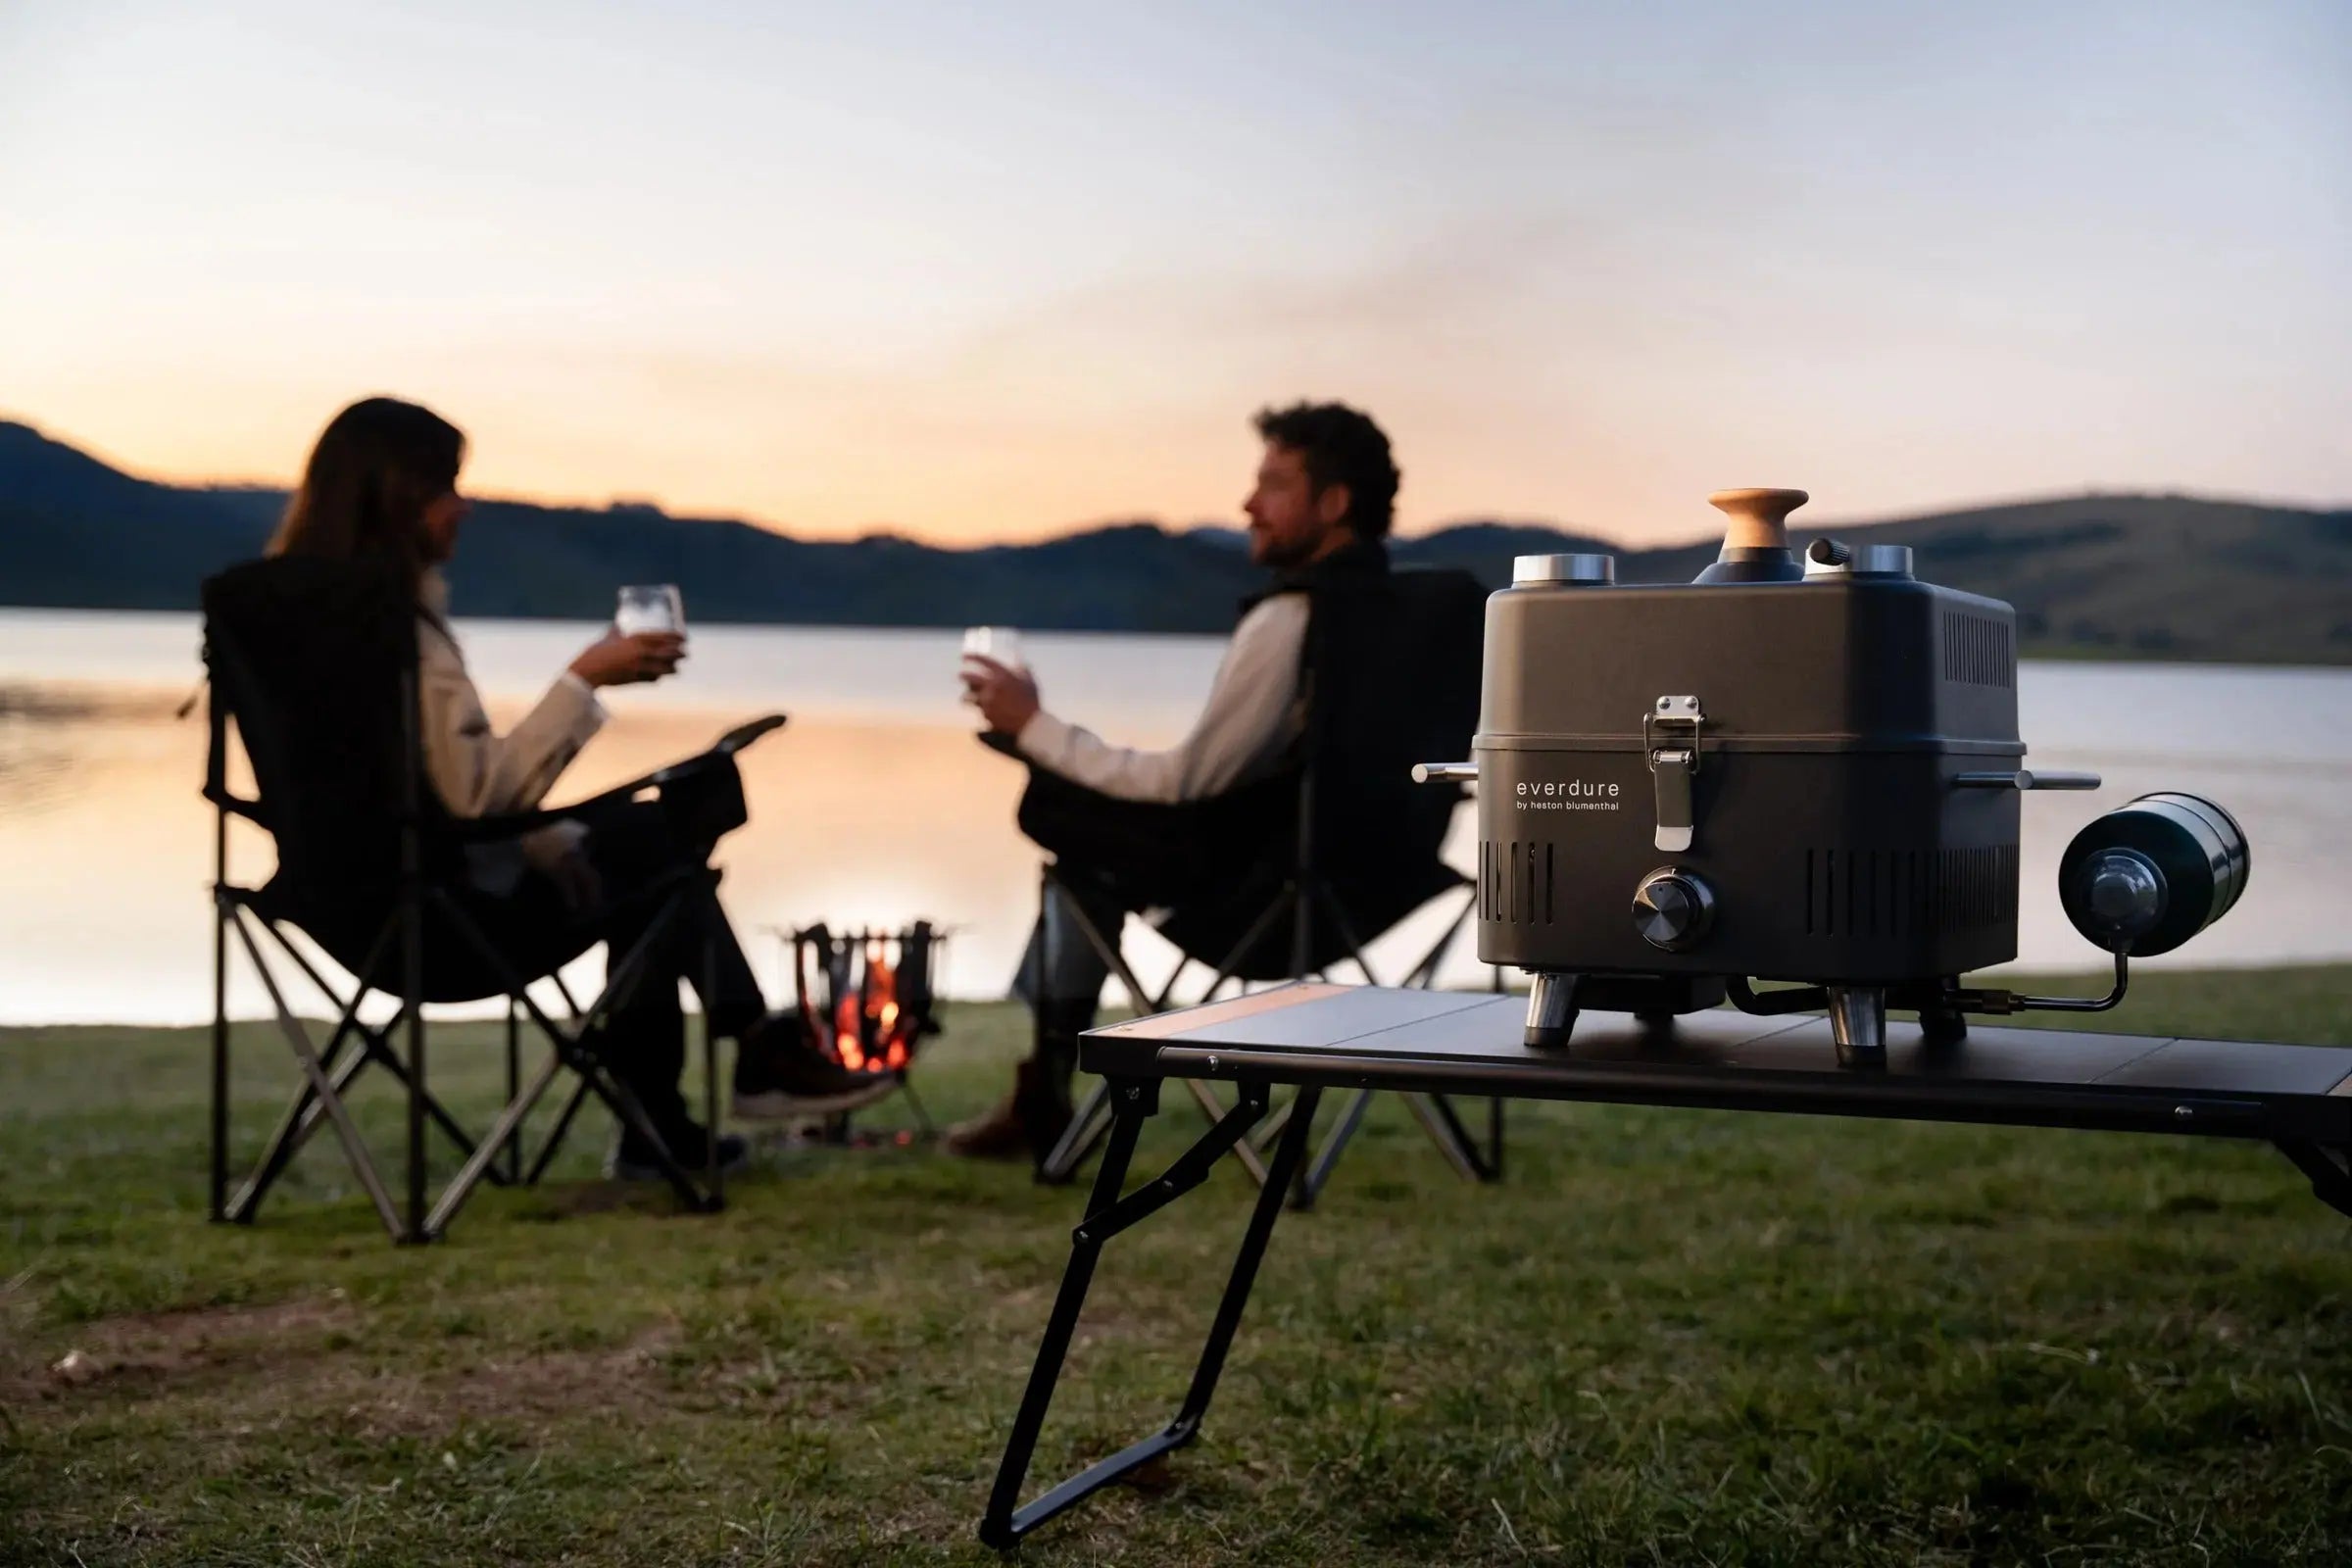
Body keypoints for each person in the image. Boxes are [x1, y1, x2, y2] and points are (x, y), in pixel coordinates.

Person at [266, 397, 891, 1178]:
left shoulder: (290, 624)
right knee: (667, 842)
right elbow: (472, 799)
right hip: (438, 923)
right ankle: (737, 1067)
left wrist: (553, 841)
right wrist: (583, 681)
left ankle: (683, 1108)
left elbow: (411, 797)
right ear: (393, 494)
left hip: (343, 905)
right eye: (445, 486)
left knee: (649, 854)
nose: (461, 506)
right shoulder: (394, 630)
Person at [947, 401, 1401, 1158]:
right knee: (1081, 833)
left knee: (1076, 848)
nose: (1248, 505)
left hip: (1264, 899)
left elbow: (1187, 781)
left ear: (1334, 503)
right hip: (1380, 883)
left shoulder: (1296, 618)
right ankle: (1041, 1087)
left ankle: (1046, 1091)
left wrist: (1034, 729)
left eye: (1273, 485)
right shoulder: (1402, 615)